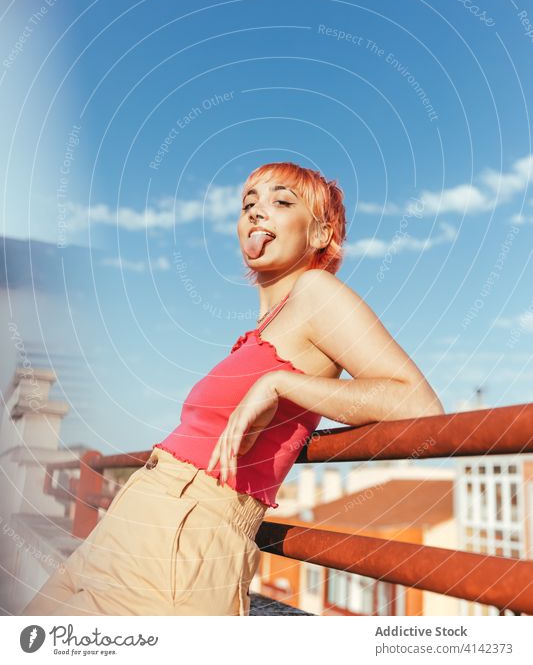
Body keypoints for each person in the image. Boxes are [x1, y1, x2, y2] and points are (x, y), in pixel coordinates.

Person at [22, 161, 444, 616]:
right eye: (249, 204)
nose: (258, 213)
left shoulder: (316, 293)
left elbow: (417, 403)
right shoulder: (260, 331)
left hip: (184, 537)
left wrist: (281, 384)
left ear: (320, 235)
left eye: (281, 202)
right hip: (133, 520)